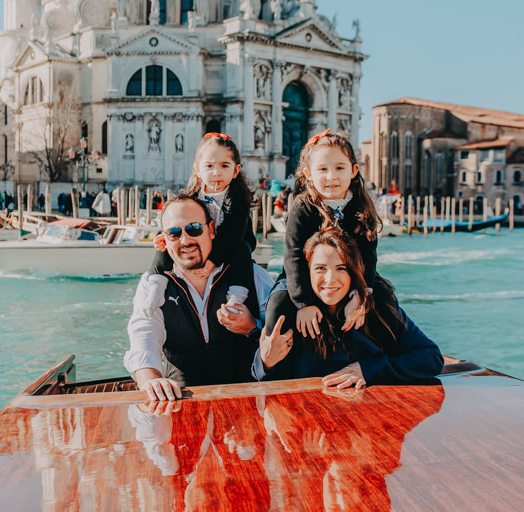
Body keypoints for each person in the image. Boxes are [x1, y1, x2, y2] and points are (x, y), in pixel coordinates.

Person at [124, 194, 274, 400]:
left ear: (211, 230)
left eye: (194, 229)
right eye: (174, 233)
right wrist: (150, 380)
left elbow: (283, 334)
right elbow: (144, 334)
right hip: (181, 402)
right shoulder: (154, 284)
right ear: (163, 240)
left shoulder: (251, 274)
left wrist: (252, 327)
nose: (185, 240)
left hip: (245, 399)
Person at [253, 229, 443, 386]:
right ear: (306, 272)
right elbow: (260, 378)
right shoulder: (289, 313)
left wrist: (367, 370)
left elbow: (431, 358)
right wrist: (266, 363)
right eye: (320, 268)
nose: (330, 279)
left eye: (341, 268)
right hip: (309, 421)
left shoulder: (377, 307)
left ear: (354, 272)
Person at [264, 130, 380, 341]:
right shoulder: (302, 207)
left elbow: (368, 254)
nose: (331, 176)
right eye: (323, 169)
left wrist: (360, 292)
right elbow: (293, 256)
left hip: (351, 276)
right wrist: (303, 302)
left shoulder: (362, 207)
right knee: (277, 307)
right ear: (309, 174)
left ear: (353, 170)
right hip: (302, 277)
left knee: (385, 301)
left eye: (339, 168)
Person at [144, 133, 257, 313]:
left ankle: (237, 297)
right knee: (165, 245)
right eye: (209, 166)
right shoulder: (192, 195)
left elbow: (235, 234)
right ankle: (157, 284)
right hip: (202, 241)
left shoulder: (239, 199)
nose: (216, 172)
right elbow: (176, 218)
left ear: (235, 171)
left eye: (224, 166)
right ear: (198, 169)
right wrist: (163, 235)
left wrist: (213, 261)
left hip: (231, 242)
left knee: (242, 250)